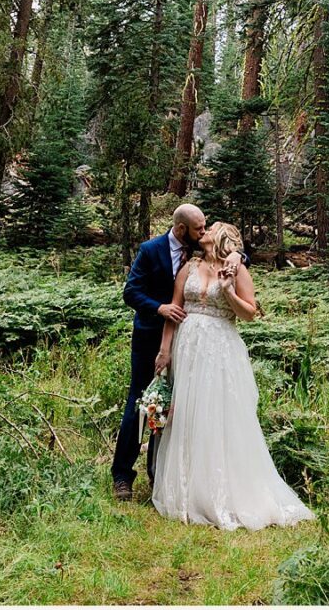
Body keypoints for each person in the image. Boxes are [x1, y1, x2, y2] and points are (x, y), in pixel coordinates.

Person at [150, 221, 315, 530]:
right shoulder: (189, 267)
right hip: (188, 346)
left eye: (210, 227)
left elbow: (250, 313)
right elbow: (175, 309)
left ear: (222, 236)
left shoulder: (236, 270)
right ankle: (186, 490)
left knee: (218, 415)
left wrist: (227, 291)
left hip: (220, 348)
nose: (205, 231)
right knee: (188, 414)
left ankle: (220, 492)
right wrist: (165, 350)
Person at [112, 203, 243, 502]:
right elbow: (130, 292)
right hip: (149, 336)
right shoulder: (151, 250)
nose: (203, 231)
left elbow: (228, 247)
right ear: (182, 229)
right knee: (140, 403)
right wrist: (159, 307)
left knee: (174, 405)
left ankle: (158, 473)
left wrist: (237, 255)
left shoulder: (199, 249)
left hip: (187, 341)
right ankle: (122, 476)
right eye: (199, 227)